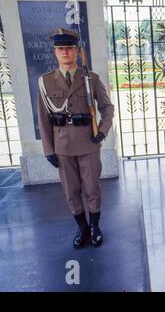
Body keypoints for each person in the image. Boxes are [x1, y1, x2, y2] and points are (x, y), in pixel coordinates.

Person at [37, 28, 114, 248]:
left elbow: (108, 108)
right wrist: (48, 149)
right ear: (55, 53)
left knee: (92, 187)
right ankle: (81, 227)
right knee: (71, 190)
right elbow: (43, 119)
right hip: (62, 145)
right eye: (60, 49)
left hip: (89, 143)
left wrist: (102, 130)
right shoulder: (45, 82)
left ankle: (95, 226)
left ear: (77, 52)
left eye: (69, 49)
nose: (65, 53)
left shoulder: (91, 78)